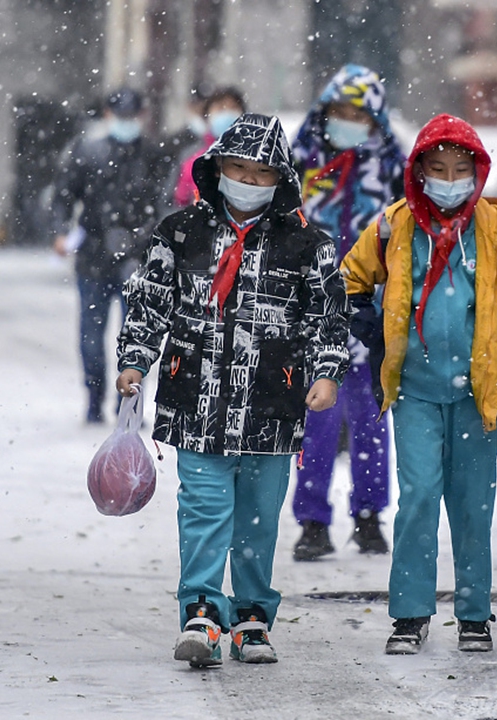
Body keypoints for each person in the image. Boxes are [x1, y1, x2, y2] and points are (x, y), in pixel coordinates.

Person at [115, 113, 350, 667]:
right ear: (216, 168)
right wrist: (135, 362)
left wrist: (326, 371)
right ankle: (200, 609)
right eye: (237, 169)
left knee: (258, 518)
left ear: (281, 181)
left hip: (274, 404)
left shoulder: (308, 245)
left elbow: (328, 317)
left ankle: (250, 616)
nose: (246, 181)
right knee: (202, 508)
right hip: (194, 398)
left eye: (260, 174)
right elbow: (150, 305)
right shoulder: (180, 232)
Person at [341, 114, 497, 655]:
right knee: (419, 496)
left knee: (474, 503)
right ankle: (410, 613)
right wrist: (374, 331)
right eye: (438, 168)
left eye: (461, 169)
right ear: (419, 172)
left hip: (479, 392)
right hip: (414, 389)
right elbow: (350, 282)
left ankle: (474, 614)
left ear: (478, 173)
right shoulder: (392, 226)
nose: (450, 178)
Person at [289, 63, 406, 561]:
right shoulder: (300, 162)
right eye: (339, 110)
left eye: (358, 112)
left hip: (371, 314)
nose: (347, 120)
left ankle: (369, 516)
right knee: (314, 419)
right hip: (309, 310)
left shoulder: (395, 168)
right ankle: (312, 521)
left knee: (371, 420)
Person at [51, 87, 165, 423]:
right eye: (120, 116)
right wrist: (60, 231)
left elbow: (163, 204)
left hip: (139, 257)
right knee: (91, 335)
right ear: (107, 115)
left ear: (142, 116)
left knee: (137, 337)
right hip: (94, 256)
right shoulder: (87, 152)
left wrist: (151, 241)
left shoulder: (153, 154)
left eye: (132, 116)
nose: (126, 123)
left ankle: (127, 401)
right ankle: (94, 395)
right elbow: (63, 195)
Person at [171, 86, 247, 207]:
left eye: (232, 108)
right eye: (220, 109)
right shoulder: (190, 159)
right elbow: (172, 204)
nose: (226, 114)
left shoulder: (259, 158)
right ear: (207, 117)